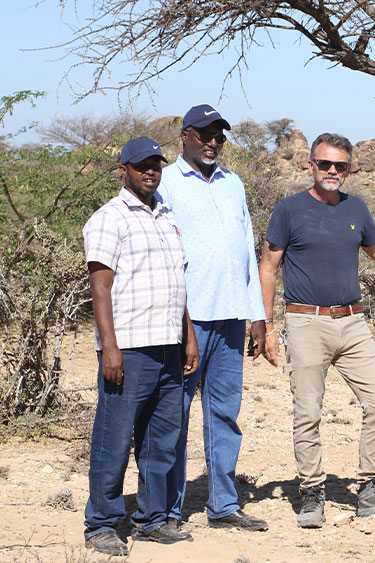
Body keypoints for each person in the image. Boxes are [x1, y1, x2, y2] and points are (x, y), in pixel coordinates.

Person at [259, 133, 375, 526]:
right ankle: (312, 494)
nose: (332, 171)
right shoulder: (289, 210)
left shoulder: (357, 208)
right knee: (307, 412)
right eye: (324, 164)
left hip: (352, 322)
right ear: (310, 165)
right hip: (305, 320)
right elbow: (267, 267)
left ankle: (371, 488)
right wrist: (266, 327)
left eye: (340, 166)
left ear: (349, 169)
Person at [82, 137, 200, 555]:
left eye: (156, 164)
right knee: (113, 439)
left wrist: (188, 336)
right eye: (141, 165)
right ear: (124, 170)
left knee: (161, 438)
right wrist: (109, 349)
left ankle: (152, 519)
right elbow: (101, 288)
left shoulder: (166, 215)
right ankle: (101, 523)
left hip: (168, 344)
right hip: (128, 349)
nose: (151, 171)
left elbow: (178, 283)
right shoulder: (108, 218)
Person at [158, 104, 269, 532]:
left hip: (231, 317)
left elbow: (246, 249)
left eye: (219, 135)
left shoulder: (232, 182)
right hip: (187, 320)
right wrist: (179, 319)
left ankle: (223, 505)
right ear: (185, 135)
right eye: (204, 134)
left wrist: (256, 315)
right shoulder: (165, 182)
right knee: (176, 413)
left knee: (225, 413)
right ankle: (167, 509)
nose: (212, 142)